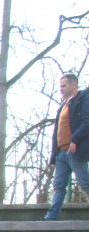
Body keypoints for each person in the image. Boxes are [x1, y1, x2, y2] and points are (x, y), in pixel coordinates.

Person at [43, 73, 88, 221]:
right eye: (60, 86)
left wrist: (74, 139)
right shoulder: (63, 105)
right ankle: (51, 217)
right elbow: (57, 131)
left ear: (73, 85)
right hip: (61, 153)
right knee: (58, 185)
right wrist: (53, 157)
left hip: (74, 151)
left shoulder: (82, 100)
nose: (61, 89)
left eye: (64, 85)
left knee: (85, 183)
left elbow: (87, 122)